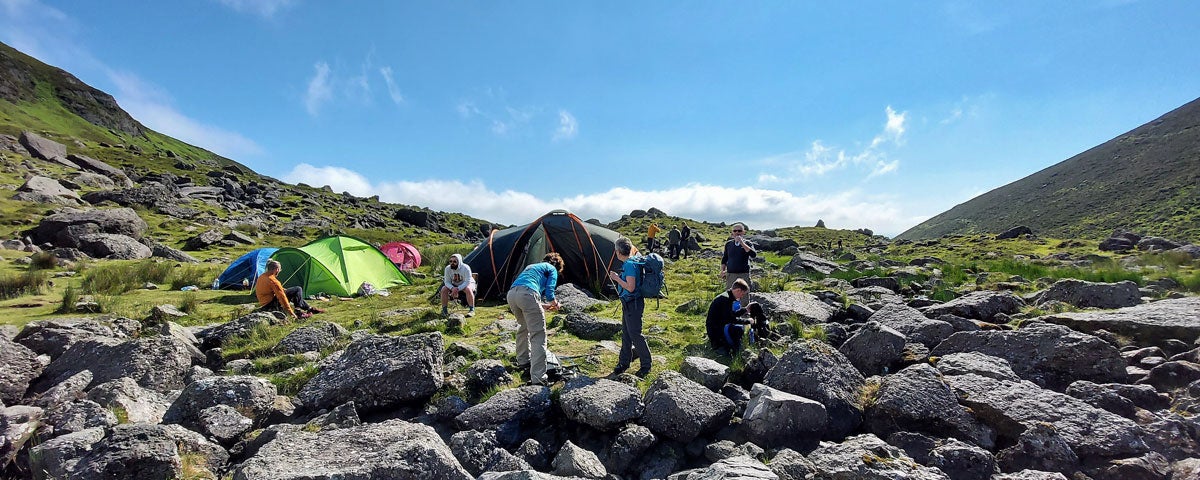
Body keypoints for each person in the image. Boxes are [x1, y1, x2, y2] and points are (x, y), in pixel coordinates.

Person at [507, 252, 565, 386]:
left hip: (512, 294)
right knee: (538, 334)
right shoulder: (552, 269)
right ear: (558, 265)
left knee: (524, 327)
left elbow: (525, 290)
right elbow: (549, 292)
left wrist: (541, 305)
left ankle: (523, 361)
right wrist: (555, 303)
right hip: (528, 294)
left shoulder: (532, 266)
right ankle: (539, 378)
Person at [608, 237, 652, 377]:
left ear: (618, 252)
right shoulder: (633, 261)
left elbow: (630, 287)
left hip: (633, 303)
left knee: (635, 335)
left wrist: (616, 279)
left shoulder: (629, 265)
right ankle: (623, 363)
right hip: (630, 303)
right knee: (626, 334)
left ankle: (646, 365)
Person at [705, 278, 768, 353]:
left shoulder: (727, 296)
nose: (741, 297)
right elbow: (731, 319)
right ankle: (736, 351)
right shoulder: (725, 300)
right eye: (742, 294)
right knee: (738, 330)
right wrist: (747, 321)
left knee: (737, 328)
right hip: (715, 331)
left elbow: (731, 315)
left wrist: (745, 309)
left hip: (719, 326)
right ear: (738, 290)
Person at [256, 260, 324, 320]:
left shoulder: (262, 276)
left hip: (264, 304)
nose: (279, 272)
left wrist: (289, 292)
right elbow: (282, 297)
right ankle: (298, 312)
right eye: (279, 270)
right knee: (298, 289)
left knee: (295, 294)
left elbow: (278, 290)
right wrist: (291, 313)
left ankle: (310, 308)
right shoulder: (273, 280)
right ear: (276, 269)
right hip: (271, 306)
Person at [720, 222, 757, 298]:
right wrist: (722, 271)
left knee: (744, 296)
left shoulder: (748, 243)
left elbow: (753, 255)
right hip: (731, 274)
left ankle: (744, 310)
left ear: (743, 232)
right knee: (730, 297)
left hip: (744, 274)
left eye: (739, 231)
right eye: (735, 231)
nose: (737, 233)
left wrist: (742, 243)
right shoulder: (728, 244)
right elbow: (724, 259)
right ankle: (731, 310)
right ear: (732, 233)